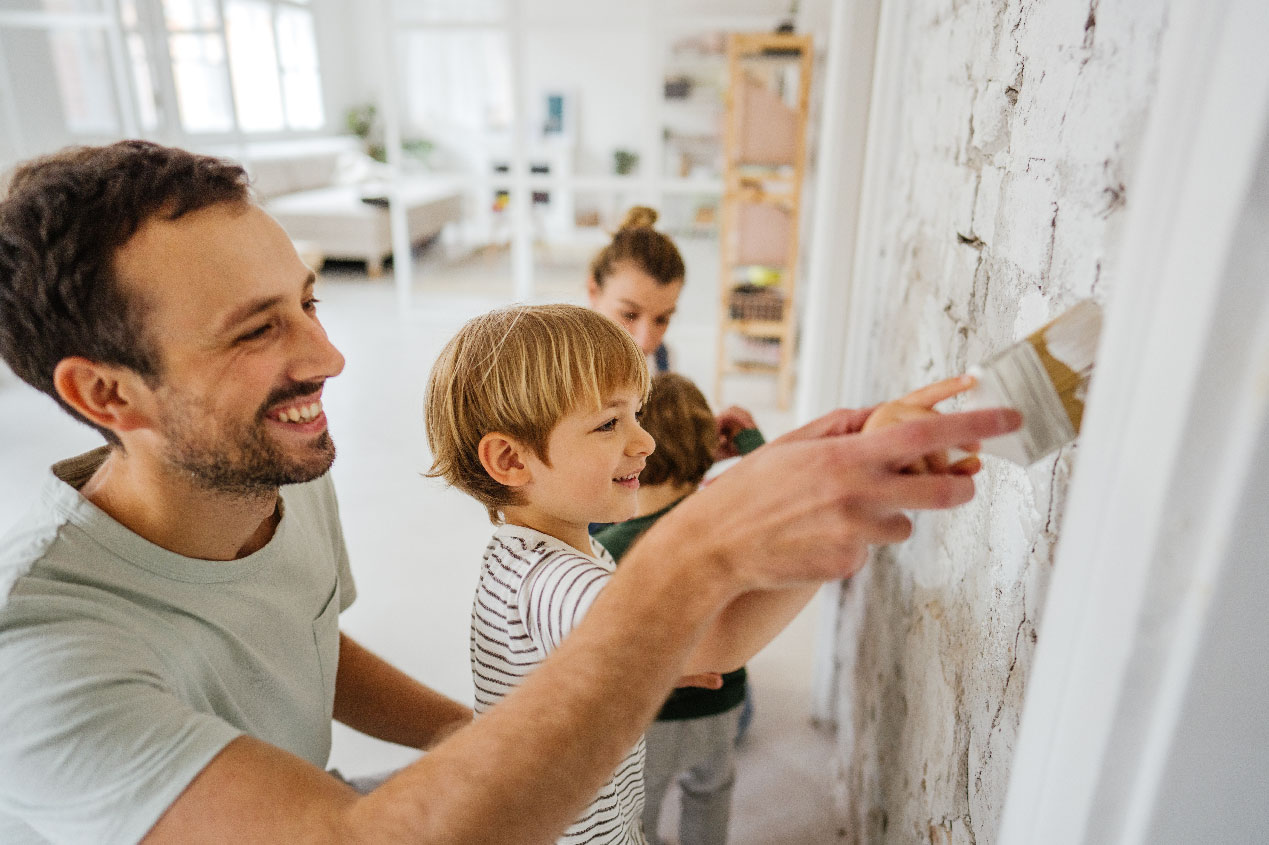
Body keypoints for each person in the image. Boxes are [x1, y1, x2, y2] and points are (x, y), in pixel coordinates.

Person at [0, 140, 1019, 843]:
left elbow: (304, 634)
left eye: (308, 299)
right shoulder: (37, 658)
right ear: (104, 392)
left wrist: (463, 731)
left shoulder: (270, 470)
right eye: (257, 328)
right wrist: (699, 551)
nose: (331, 352)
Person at [595, 372, 978, 845]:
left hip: (649, 720)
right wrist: (752, 439)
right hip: (721, 706)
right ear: (708, 450)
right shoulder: (726, 510)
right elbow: (775, 484)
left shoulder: (602, 547)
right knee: (711, 791)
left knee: (638, 809)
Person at [585, 205, 756, 459]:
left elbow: (653, 454)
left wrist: (699, 450)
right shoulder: (566, 369)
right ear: (594, 292)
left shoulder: (663, 361)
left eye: (662, 319)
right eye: (629, 314)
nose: (644, 340)